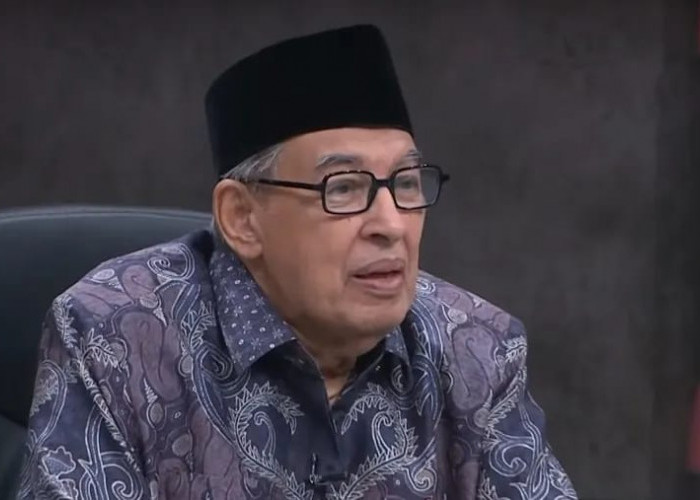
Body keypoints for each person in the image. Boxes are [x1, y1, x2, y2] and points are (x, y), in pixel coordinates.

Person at [17, 25, 577, 499]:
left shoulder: (478, 348)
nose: (390, 224)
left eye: (406, 183)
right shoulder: (116, 337)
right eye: (345, 187)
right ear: (242, 217)